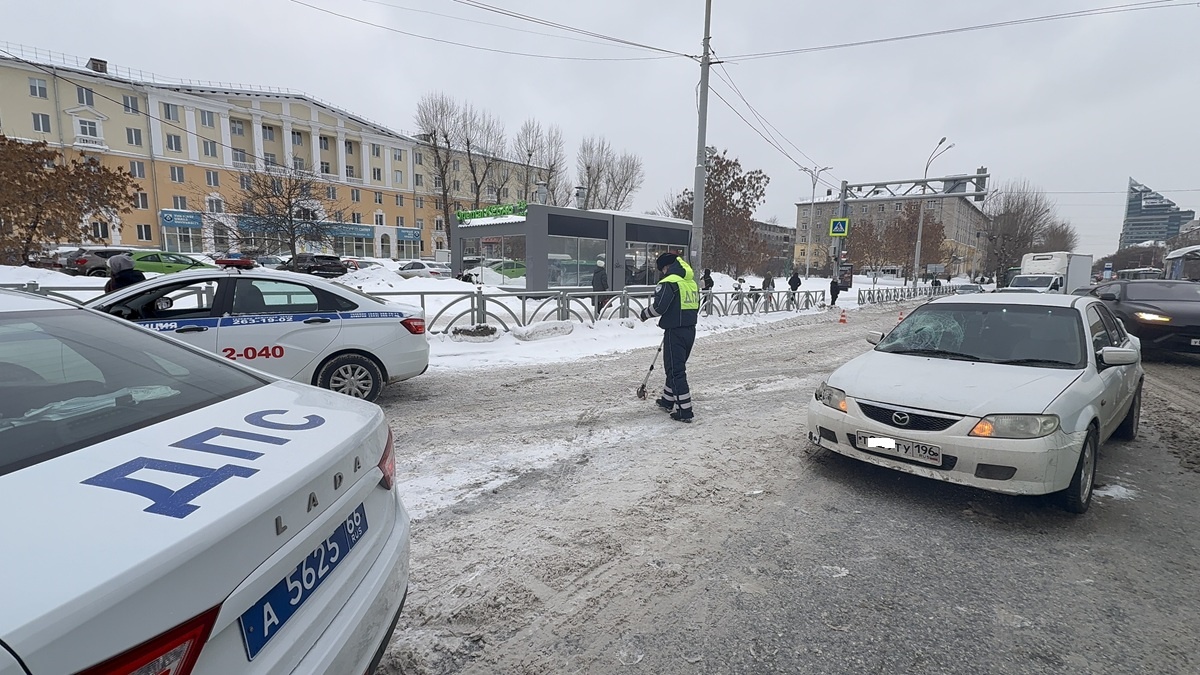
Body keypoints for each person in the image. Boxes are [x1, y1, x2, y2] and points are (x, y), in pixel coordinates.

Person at [639, 252, 699, 422]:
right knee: (674, 367)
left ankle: (684, 411)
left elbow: (659, 308)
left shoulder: (669, 282)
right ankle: (667, 401)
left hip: (675, 332)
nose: (662, 272)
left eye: (662, 269)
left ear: (666, 267)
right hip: (689, 330)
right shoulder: (690, 283)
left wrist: (644, 314)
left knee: (675, 371)